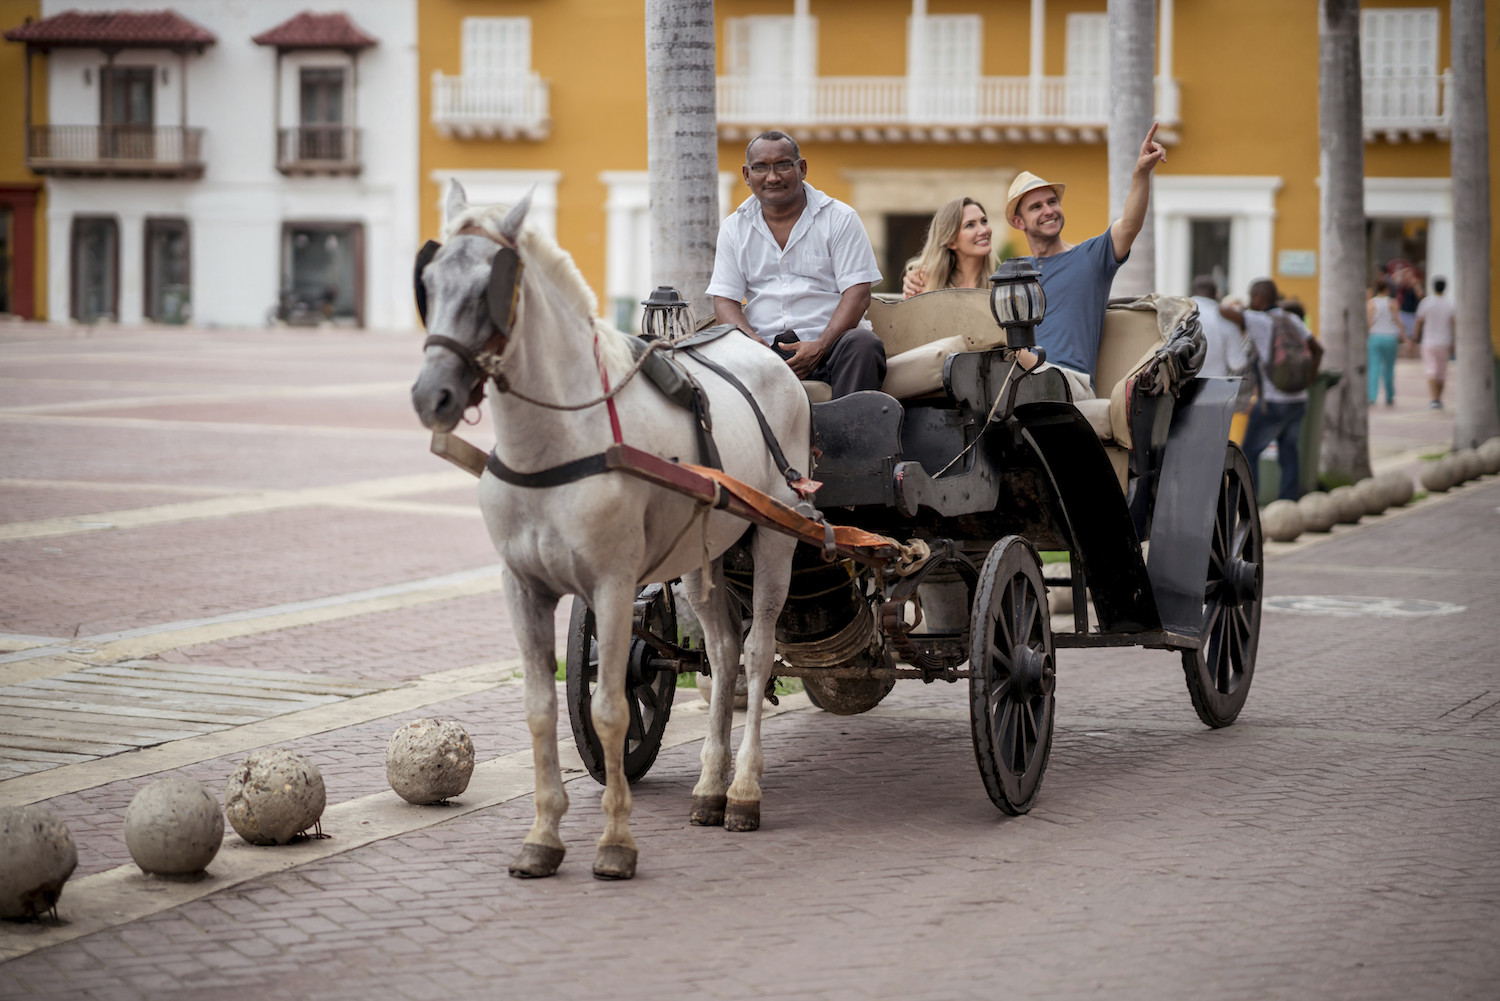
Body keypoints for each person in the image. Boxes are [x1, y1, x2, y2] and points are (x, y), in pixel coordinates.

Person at [903, 124, 1167, 402]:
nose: (1049, 210)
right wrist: (922, 282)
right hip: (1018, 378)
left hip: (1067, 381)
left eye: (1052, 202)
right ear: (1019, 222)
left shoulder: (1090, 256)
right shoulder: (1011, 274)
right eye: (1036, 206)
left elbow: (1129, 226)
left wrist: (1140, 174)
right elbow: (966, 292)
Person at [707, 130, 885, 398]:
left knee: (864, 344)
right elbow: (724, 300)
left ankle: (847, 437)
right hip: (762, 349)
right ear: (746, 175)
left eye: (782, 165)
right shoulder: (734, 228)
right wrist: (752, 343)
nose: (772, 177)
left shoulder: (840, 218)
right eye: (761, 168)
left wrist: (821, 346)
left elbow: (858, 294)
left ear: (801, 168)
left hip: (833, 346)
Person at [902, 196, 1039, 370]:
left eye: (984, 221)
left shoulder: (1001, 291)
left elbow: (1017, 351)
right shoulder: (925, 286)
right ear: (951, 241)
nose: (983, 230)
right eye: (970, 225)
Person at [1226, 279, 1317, 501]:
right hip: (1299, 399)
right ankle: (1288, 502)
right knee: (1289, 453)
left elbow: (1224, 310)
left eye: (1252, 296)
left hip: (1274, 402)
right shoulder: (1293, 318)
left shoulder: (1259, 320)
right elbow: (1318, 348)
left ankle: (1249, 504)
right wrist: (1309, 379)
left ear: (1259, 298)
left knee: (1248, 453)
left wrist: (1243, 308)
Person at [1191, 275, 1256, 442]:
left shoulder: (1181, 314)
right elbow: (1237, 363)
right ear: (1216, 294)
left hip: (1182, 388)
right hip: (1215, 391)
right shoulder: (1226, 320)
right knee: (1211, 441)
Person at [1413, 276, 1456, 409]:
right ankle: (1438, 398)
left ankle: (1434, 398)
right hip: (1444, 341)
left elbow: (1419, 321)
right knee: (1442, 371)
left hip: (1429, 341)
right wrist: (1454, 342)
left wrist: (1415, 338)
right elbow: (1454, 324)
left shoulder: (1426, 302)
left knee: (1431, 369)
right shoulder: (1450, 304)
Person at [1367, 279, 1403, 406]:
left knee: (1374, 367)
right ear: (1387, 289)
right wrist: (1405, 337)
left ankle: (1372, 396)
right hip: (1390, 337)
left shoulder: (1371, 304)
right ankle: (1389, 396)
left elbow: (1369, 323)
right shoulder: (1392, 303)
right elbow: (1397, 321)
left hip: (1375, 337)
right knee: (1389, 368)